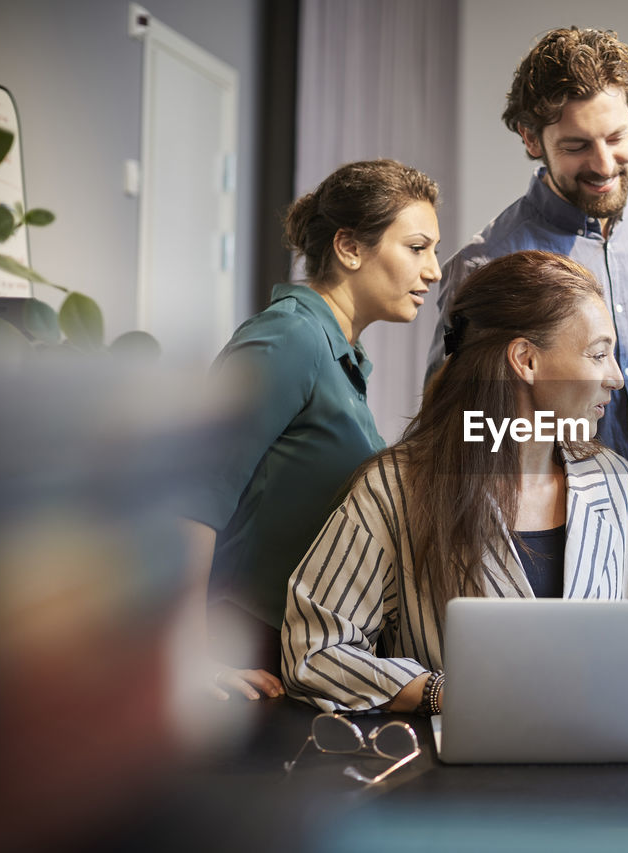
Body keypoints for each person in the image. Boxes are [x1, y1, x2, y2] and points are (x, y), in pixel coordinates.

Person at [283, 250, 628, 713]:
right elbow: (315, 651)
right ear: (525, 360)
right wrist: (441, 693)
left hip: (603, 763)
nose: (616, 378)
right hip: (456, 776)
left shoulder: (619, 485)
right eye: (598, 354)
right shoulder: (394, 490)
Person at [426, 26, 628, 598]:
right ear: (532, 139)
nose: (604, 164)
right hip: (536, 559)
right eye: (577, 145)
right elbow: (458, 430)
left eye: (617, 136)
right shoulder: (485, 266)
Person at [180, 159, 441, 700]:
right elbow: (192, 499)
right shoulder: (288, 339)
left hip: (289, 644)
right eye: (417, 248)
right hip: (240, 642)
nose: (434, 270)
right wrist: (189, 656)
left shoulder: (338, 353)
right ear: (349, 248)